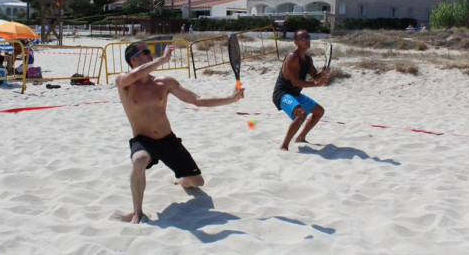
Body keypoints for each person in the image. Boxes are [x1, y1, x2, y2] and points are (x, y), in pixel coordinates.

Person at [116, 42, 244, 223]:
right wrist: (163, 59)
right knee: (139, 160)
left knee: (197, 182)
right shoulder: (124, 83)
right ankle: (138, 212)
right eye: (146, 52)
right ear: (134, 60)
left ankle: (183, 181)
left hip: (168, 140)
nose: (151, 54)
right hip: (143, 140)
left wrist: (230, 99)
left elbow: (197, 100)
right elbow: (135, 75)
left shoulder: (164, 82)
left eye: (151, 52)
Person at [272, 29, 329, 151]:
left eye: (308, 37)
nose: (307, 40)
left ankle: (301, 137)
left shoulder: (308, 60)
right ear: (296, 42)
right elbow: (295, 82)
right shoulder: (292, 58)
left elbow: (315, 76)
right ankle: (284, 146)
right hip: (282, 94)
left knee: (319, 111)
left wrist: (323, 73)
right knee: (301, 114)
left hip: (295, 94)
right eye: (303, 38)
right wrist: (316, 84)